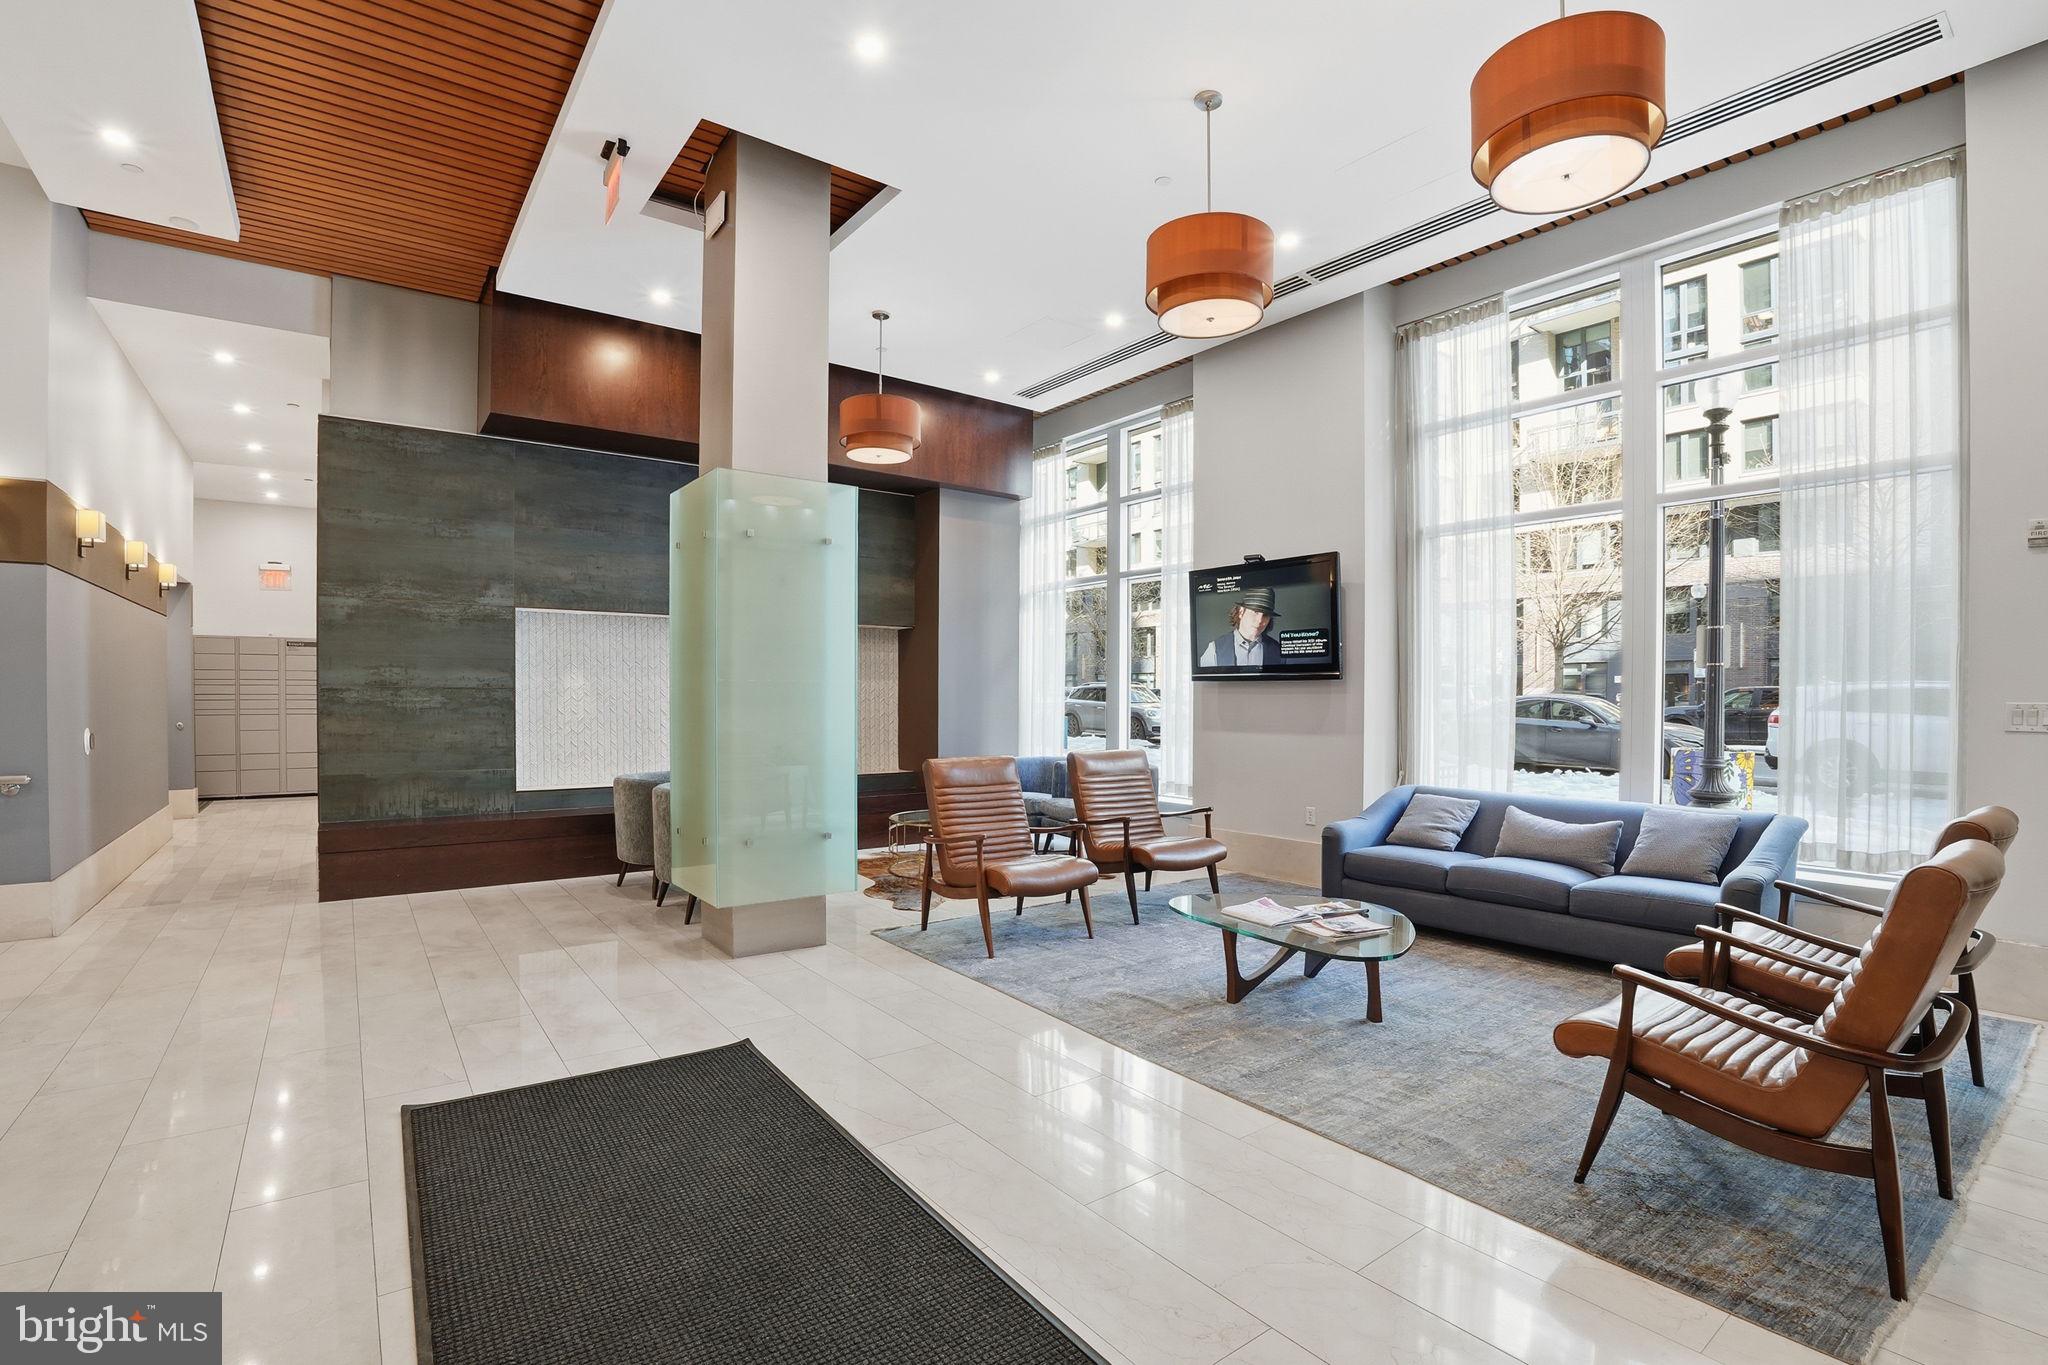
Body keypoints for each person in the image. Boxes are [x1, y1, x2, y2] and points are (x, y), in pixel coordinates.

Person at [1199, 586, 1283, 668]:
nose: (1259, 620)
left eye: (1265, 615)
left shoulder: (1279, 651)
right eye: (1255, 612)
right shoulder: (1214, 649)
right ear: (1241, 612)